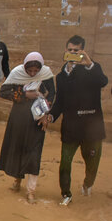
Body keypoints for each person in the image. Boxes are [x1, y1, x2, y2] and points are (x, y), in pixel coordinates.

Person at [46, 35, 108, 206]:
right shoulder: (61, 76)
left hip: (92, 127)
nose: (73, 53)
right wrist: (51, 116)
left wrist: (89, 64)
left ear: (83, 51)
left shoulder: (93, 69)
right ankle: (66, 193)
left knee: (92, 162)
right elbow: (60, 102)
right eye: (70, 50)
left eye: (77, 50)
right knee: (65, 162)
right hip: (71, 128)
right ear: (66, 51)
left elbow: (103, 82)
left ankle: (88, 184)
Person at [0, 52, 55, 203]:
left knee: (34, 153)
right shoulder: (17, 73)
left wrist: (45, 114)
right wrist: (23, 95)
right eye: (30, 71)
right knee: (18, 150)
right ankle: (17, 181)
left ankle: (31, 191)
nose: (33, 74)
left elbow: (52, 93)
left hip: (37, 120)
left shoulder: (46, 74)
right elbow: (3, 92)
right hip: (19, 118)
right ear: (25, 67)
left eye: (36, 71)